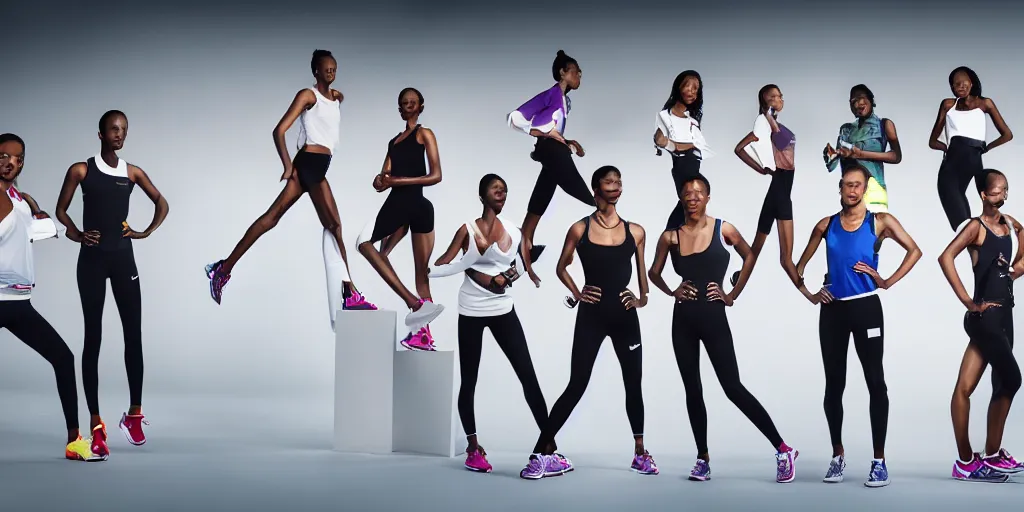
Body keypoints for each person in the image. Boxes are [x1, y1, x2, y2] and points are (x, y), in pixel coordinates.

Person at [204, 49, 377, 329]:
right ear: (316, 72)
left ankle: (222, 269)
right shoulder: (307, 95)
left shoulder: (335, 98)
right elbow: (279, 130)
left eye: (334, 68)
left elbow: (328, 117)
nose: (331, 72)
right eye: (326, 68)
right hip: (308, 163)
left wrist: (336, 98)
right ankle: (350, 293)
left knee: (272, 218)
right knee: (334, 225)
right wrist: (287, 165)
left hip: (317, 166)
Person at [648, 172, 798, 483]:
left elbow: (750, 255)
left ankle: (783, 449)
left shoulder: (723, 228)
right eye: (687, 193)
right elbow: (654, 272)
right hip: (683, 321)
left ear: (707, 197)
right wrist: (672, 291)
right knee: (693, 390)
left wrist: (732, 295)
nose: (692, 197)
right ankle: (702, 457)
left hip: (714, 318)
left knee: (732, 387)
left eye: (698, 192)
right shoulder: (670, 237)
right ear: (681, 198)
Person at [520, 165, 656, 480]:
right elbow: (561, 266)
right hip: (592, 315)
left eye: (619, 180)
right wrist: (578, 292)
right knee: (577, 384)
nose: (616, 185)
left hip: (624, 316)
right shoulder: (579, 229)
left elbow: (642, 271)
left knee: (632, 383)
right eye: (609, 181)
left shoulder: (635, 231)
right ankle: (540, 453)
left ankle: (640, 453)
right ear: (596, 190)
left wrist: (643, 298)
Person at [793, 164, 922, 487]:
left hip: (866, 308)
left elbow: (915, 250)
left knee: (875, 381)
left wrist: (886, 281)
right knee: (834, 384)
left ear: (865, 189)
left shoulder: (879, 222)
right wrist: (810, 294)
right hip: (833, 311)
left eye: (857, 185)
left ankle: (879, 460)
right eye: (846, 185)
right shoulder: (826, 225)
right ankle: (837, 455)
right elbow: (798, 266)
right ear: (840, 188)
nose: (851, 190)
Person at [54, 110, 169, 455]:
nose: (119, 135)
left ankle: (134, 414)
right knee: (94, 336)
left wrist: (143, 231)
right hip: (91, 262)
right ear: (101, 134)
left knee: (133, 333)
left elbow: (162, 202)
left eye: (124, 130)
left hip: (123, 259)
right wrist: (76, 234)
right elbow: (61, 211)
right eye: (113, 130)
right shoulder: (82, 170)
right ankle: (96, 422)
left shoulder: (131, 172)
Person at [429, 173, 546, 473]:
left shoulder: (514, 231)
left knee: (528, 376)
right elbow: (447, 262)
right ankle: (472, 447)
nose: (502, 194)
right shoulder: (467, 230)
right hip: (471, 309)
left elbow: (522, 265)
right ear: (482, 196)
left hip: (502, 308)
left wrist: (513, 277)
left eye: (505, 191)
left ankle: (549, 444)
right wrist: (449, 264)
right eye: (496, 190)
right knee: (469, 381)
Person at [0, 133, 101, 462]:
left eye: (15, 157)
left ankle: (74, 441)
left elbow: (42, 230)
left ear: (22, 163)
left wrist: (37, 209)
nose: (8, 161)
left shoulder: (18, 198)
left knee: (63, 357)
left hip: (18, 304)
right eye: (1, 155)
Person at [938, 169, 1024, 482]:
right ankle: (986, 455)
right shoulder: (975, 228)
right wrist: (968, 302)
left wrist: (1014, 271)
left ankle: (973, 462)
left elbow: (1021, 257)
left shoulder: (1012, 225)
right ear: (984, 195)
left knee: (978, 386)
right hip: (983, 317)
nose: (1004, 195)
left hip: (1005, 316)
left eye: (1006, 189)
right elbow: (946, 257)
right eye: (999, 191)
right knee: (1013, 379)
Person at [356, 87, 445, 349]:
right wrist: (379, 180)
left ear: (420, 106)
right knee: (376, 252)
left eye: (413, 102)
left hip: (413, 203)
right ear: (399, 109)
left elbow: (436, 175)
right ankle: (422, 330)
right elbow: (385, 176)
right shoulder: (393, 142)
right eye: (404, 102)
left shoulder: (424, 134)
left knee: (418, 274)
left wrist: (397, 181)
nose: (408, 105)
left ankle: (416, 309)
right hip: (402, 203)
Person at [506, 49, 595, 266]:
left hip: (554, 147)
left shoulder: (565, 101)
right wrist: (540, 133)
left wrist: (567, 141)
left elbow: (553, 129)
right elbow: (515, 118)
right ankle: (598, 205)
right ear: (563, 73)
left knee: (544, 191)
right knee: (571, 181)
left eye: (581, 73)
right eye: (576, 72)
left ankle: (525, 240)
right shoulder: (552, 94)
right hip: (550, 149)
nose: (579, 76)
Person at [928, 66, 1013, 231]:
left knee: (992, 211)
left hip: (974, 160)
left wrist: (986, 147)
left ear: (972, 82)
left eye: (963, 81)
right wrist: (947, 148)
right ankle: (974, 255)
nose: (960, 86)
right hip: (950, 168)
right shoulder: (948, 105)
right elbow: (932, 141)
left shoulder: (985, 103)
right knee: (962, 225)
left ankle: (997, 249)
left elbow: (1007, 134)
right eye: (955, 84)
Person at [731, 84, 799, 287]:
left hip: (776, 191)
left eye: (780, 96)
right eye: (773, 97)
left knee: (754, 252)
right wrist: (767, 116)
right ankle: (812, 296)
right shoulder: (768, 126)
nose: (780, 99)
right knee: (786, 259)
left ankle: (735, 287)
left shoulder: (772, 125)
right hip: (780, 193)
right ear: (765, 103)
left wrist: (763, 170)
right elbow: (740, 148)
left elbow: (740, 149)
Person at [823, 84, 903, 213]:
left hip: (873, 186)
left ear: (871, 99)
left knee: (873, 230)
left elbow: (896, 156)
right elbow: (832, 166)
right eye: (853, 101)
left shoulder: (884, 124)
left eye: (860, 98)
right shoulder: (846, 129)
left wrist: (861, 154)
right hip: (850, 191)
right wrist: (832, 155)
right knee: (850, 231)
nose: (857, 104)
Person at [653, 70, 714, 230]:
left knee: (690, 209)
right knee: (689, 206)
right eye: (688, 86)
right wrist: (681, 146)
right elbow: (660, 140)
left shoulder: (692, 120)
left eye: (696, 89)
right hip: (683, 168)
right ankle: (668, 240)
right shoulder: (665, 116)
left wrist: (682, 145)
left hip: (694, 167)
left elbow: (702, 147)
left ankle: (673, 242)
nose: (692, 92)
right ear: (678, 87)